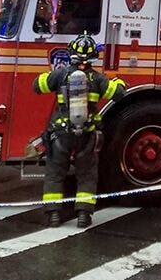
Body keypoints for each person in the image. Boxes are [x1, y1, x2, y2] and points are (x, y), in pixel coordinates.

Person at [33, 33, 126, 228]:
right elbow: (118, 94)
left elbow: (37, 86)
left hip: (60, 134)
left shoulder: (61, 74)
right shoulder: (98, 79)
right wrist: (118, 82)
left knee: (55, 173)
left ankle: (53, 215)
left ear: (72, 54)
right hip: (87, 134)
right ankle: (84, 215)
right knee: (87, 175)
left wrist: (46, 76)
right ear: (94, 56)